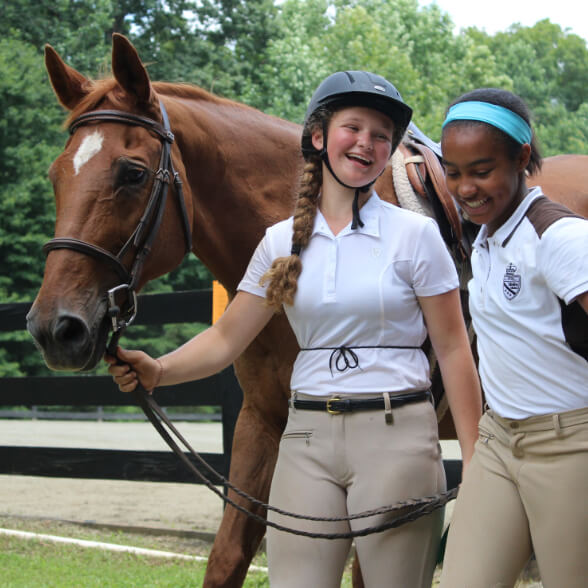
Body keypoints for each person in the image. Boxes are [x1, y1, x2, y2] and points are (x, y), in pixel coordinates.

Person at [107, 70, 482, 587]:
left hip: (398, 438)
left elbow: (454, 349)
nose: (368, 144)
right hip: (306, 440)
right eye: (354, 128)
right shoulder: (279, 242)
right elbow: (225, 338)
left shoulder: (415, 235)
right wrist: (158, 369)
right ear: (318, 137)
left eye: (381, 136)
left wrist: (477, 457)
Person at [438, 88, 588, 588]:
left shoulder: (559, 238)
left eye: (481, 171)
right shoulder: (483, 238)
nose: (465, 188)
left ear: (522, 157)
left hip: (571, 448)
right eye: (453, 172)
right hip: (500, 442)